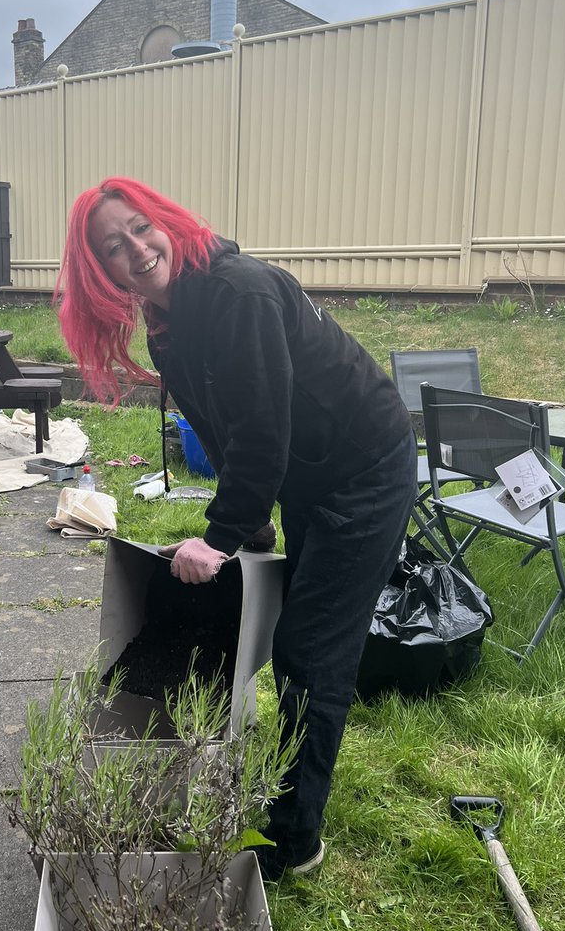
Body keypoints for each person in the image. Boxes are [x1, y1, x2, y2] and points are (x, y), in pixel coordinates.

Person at [56, 176, 417, 880]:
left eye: (139, 227)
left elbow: (262, 426)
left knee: (312, 652)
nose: (135, 247)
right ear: (97, 270)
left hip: (366, 467)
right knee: (303, 643)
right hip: (314, 471)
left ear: (164, 220)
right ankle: (285, 790)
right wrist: (247, 529)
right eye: (111, 246)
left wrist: (219, 536)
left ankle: (295, 841)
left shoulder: (237, 293)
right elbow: (220, 429)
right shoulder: (169, 324)